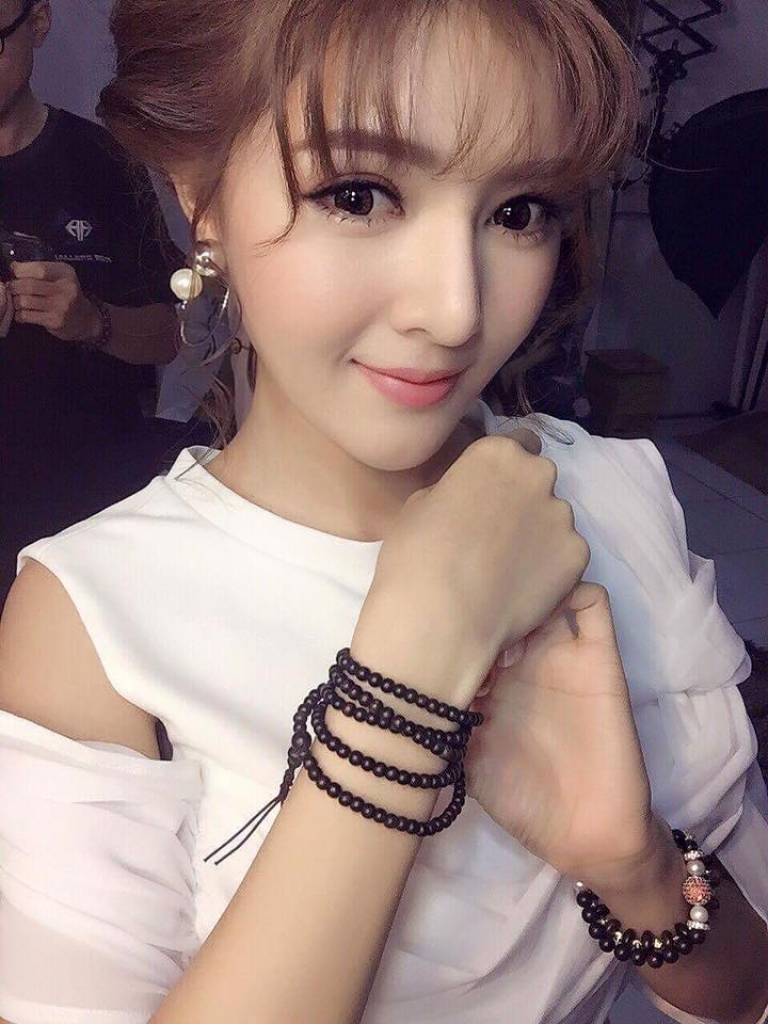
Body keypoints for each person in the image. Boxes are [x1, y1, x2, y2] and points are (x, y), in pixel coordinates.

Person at [1, 2, 767, 1024]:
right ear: (200, 193)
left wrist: (635, 866)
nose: (455, 310)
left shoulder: (619, 495)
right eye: (358, 195)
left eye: (519, 210)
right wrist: (404, 685)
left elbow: (747, 991)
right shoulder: (90, 626)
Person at [0, 0, 184, 607]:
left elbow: (168, 335)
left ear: (38, 23)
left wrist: (91, 322)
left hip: (89, 516)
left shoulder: (102, 162)